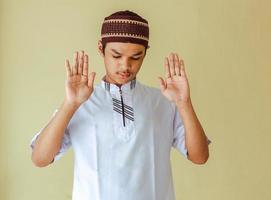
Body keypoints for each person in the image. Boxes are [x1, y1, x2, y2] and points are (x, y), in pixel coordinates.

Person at [29, 10, 212, 200]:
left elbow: (199, 157)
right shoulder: (80, 101)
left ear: (145, 53)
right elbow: (40, 158)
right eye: (116, 56)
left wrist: (184, 104)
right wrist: (69, 104)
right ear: (101, 48)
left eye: (136, 57)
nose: (125, 66)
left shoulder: (163, 101)